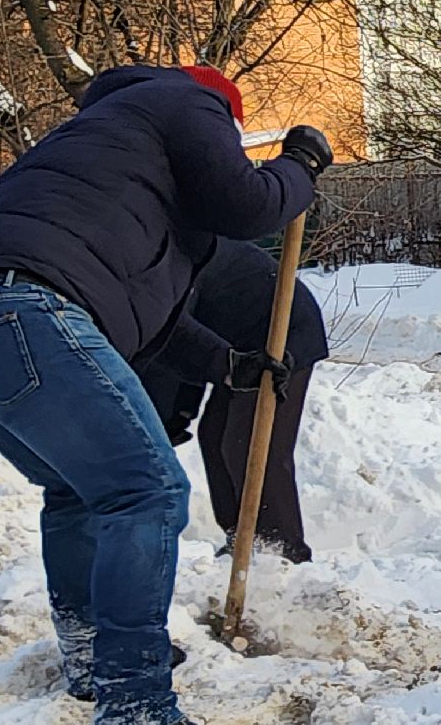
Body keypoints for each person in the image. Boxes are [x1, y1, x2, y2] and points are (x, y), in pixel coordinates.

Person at [0, 65, 332, 725]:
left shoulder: (102, 168)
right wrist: (298, 167)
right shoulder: (184, 97)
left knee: (78, 491)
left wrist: (229, 365)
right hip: (27, 305)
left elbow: (154, 322)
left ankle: (92, 658)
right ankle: (134, 710)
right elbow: (249, 205)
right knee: (148, 490)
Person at [139, 236, 329, 565]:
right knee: (215, 436)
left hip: (281, 336)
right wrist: (177, 415)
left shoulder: (167, 263)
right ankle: (241, 539)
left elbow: (173, 344)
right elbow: (185, 352)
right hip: (239, 348)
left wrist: (165, 420)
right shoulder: (160, 260)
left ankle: (280, 551)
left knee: (251, 444)